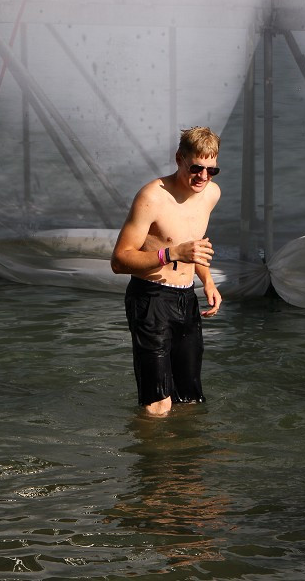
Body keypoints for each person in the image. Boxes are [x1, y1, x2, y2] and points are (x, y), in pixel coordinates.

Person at [111, 126, 223, 416]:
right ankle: (152, 459)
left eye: (211, 170)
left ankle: (185, 459)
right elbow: (119, 261)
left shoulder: (211, 194)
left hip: (187, 299)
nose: (203, 177)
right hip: (150, 299)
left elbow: (194, 245)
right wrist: (170, 254)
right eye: (196, 168)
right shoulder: (152, 197)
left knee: (189, 398)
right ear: (179, 159)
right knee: (158, 402)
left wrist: (208, 281)